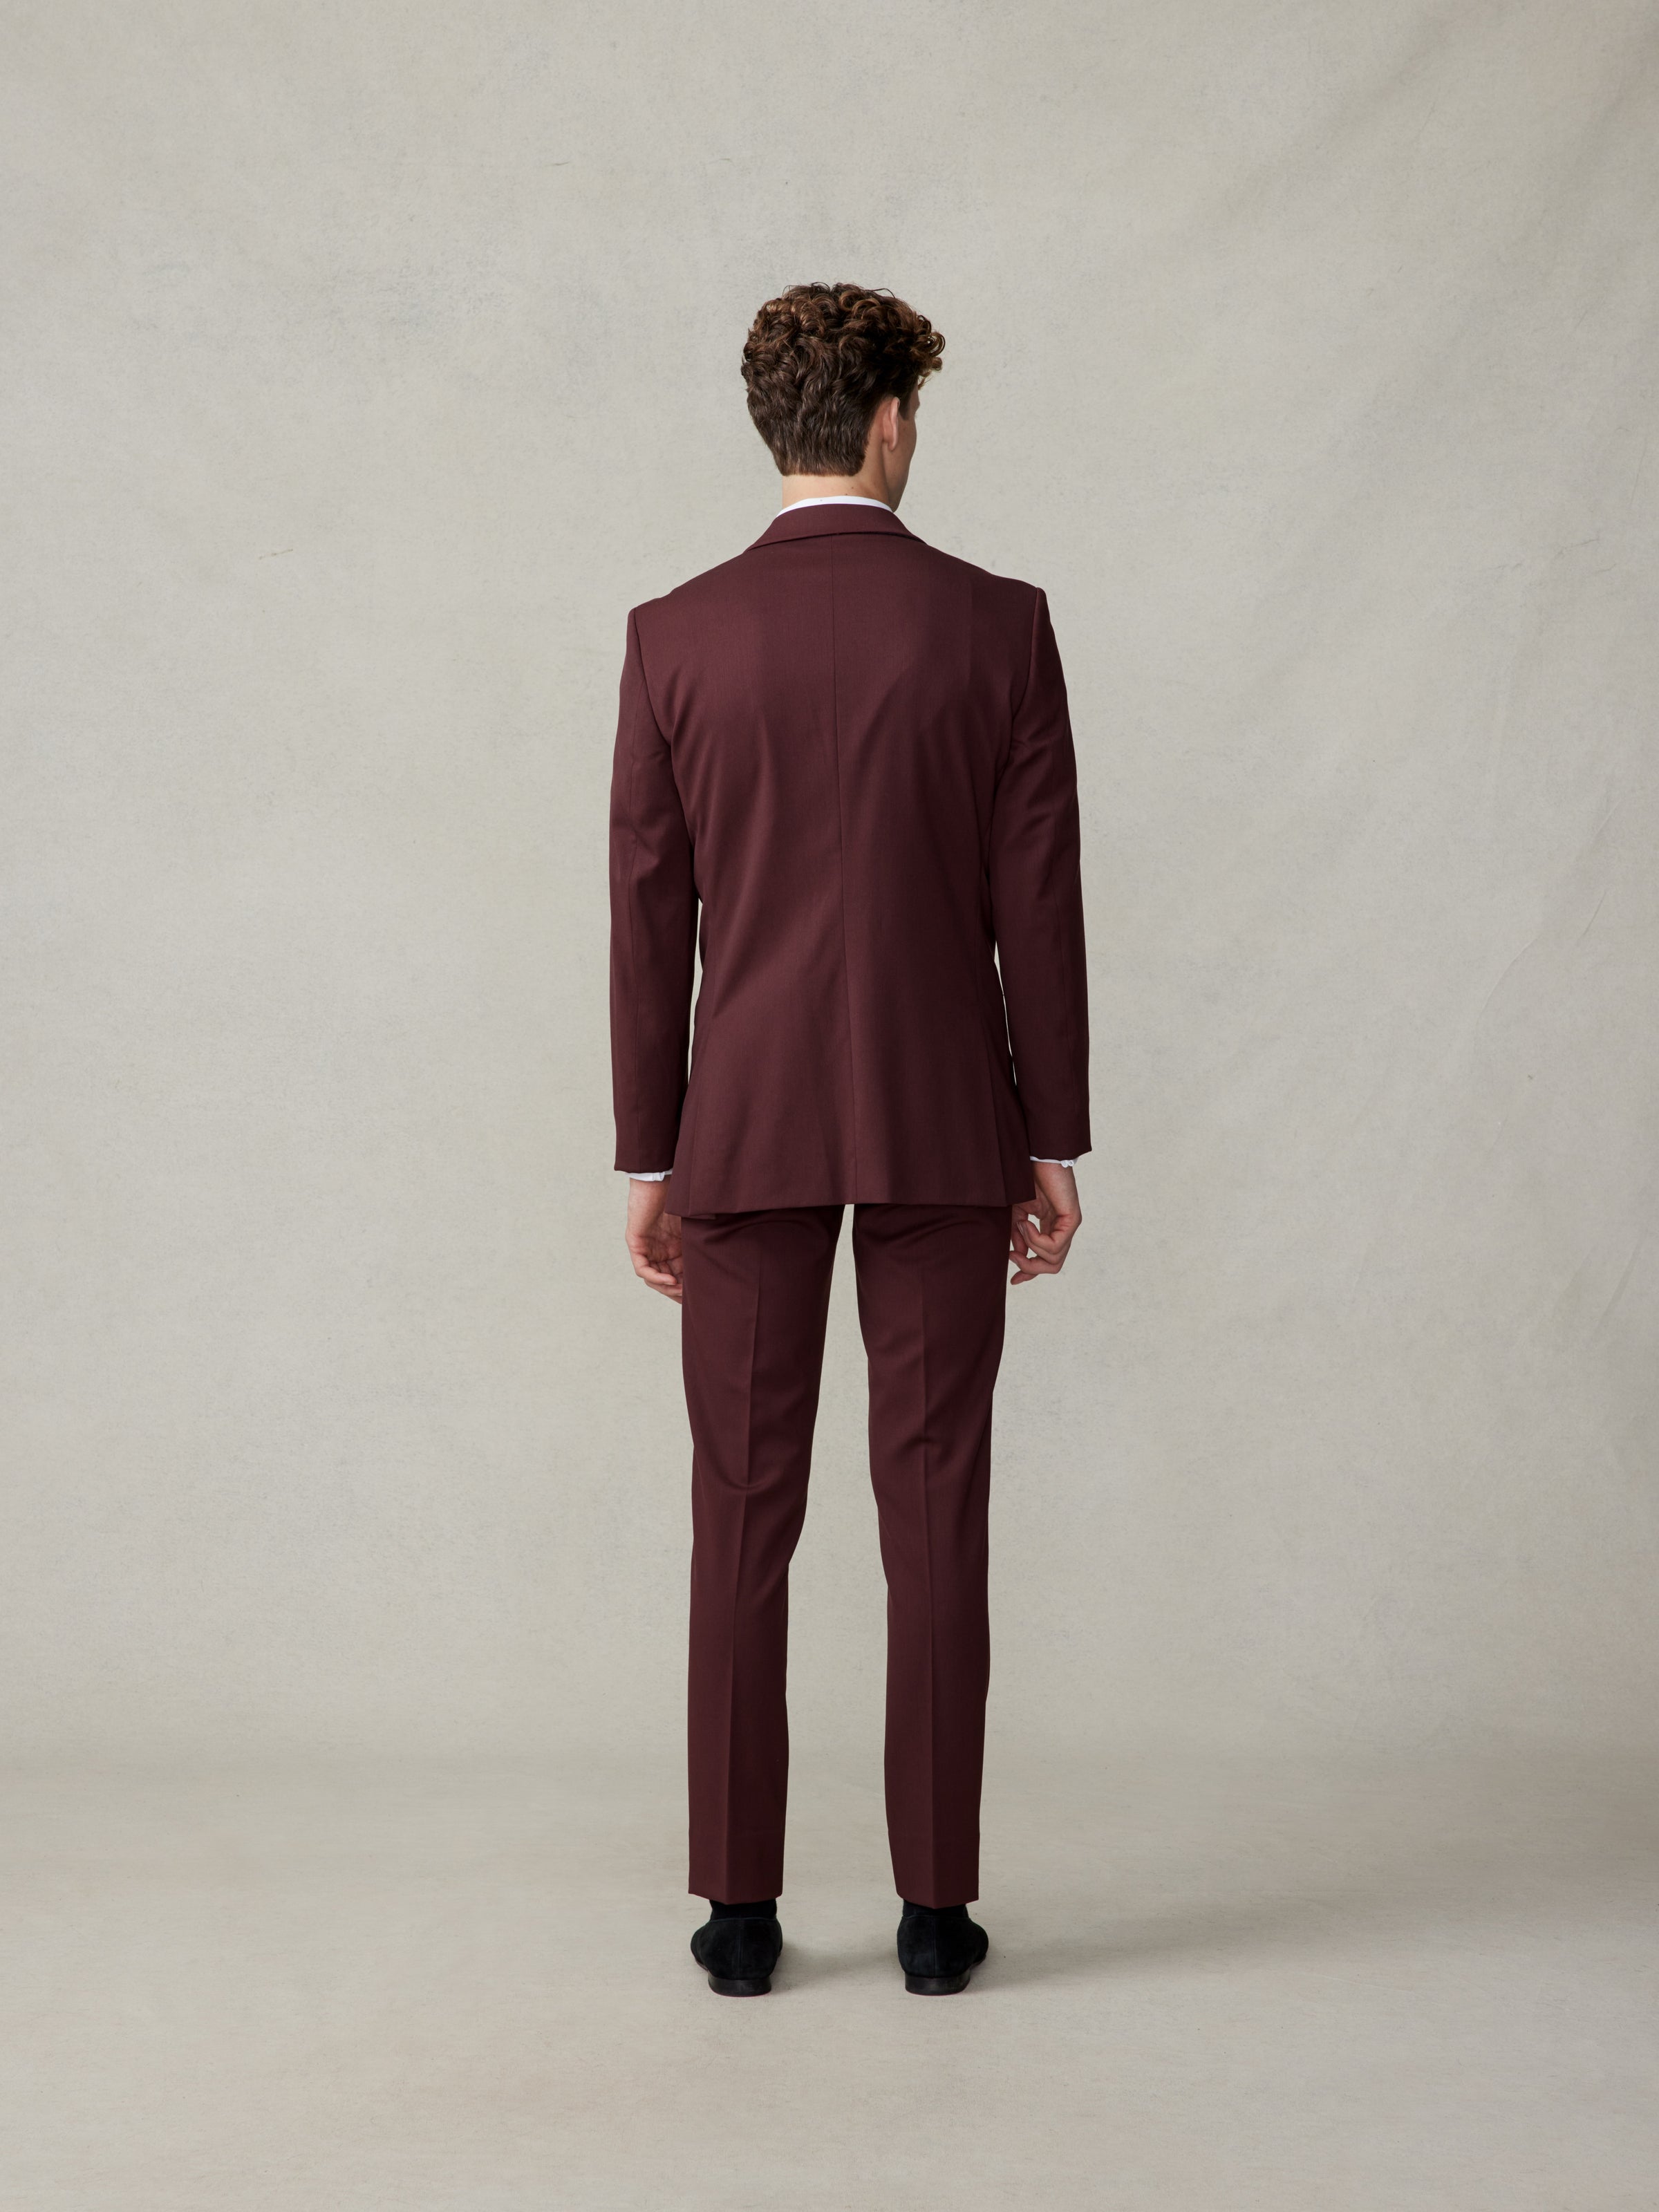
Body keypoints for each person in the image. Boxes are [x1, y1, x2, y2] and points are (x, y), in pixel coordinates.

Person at [608, 282, 1089, 1998]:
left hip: (736, 1125)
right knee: (934, 1507)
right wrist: (1057, 1132)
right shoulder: (1000, 624)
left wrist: (650, 1155)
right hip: (950, 1112)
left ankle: (740, 1916)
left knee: (740, 1512)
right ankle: (939, 1914)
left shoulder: (676, 634)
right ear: (890, 423)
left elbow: (647, 912)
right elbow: (1037, 900)